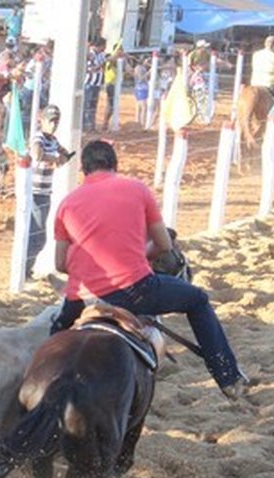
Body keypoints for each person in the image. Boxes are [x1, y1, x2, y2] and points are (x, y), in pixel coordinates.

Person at [49, 140, 248, 400]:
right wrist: (138, 255)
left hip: (80, 299)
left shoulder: (67, 203)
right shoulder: (137, 189)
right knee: (198, 300)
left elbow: (60, 264)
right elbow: (164, 245)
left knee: (52, 342)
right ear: (114, 165)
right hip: (134, 290)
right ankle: (228, 376)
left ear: (84, 170)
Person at [26, 104, 70, 278]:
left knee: (38, 235)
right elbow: (37, 153)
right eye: (50, 121)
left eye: (56, 122)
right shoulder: (39, 137)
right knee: (36, 236)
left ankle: (27, 269)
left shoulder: (53, 140)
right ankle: (25, 271)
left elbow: (65, 154)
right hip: (35, 192)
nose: (53, 125)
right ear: (41, 120)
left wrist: (63, 158)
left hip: (45, 192)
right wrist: (56, 158)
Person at [83, 38, 106, 132]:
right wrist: (100, 65)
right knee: (87, 106)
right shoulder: (90, 54)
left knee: (93, 106)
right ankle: (85, 126)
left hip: (96, 84)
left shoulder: (101, 55)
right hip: (89, 83)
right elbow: (89, 68)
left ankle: (91, 127)